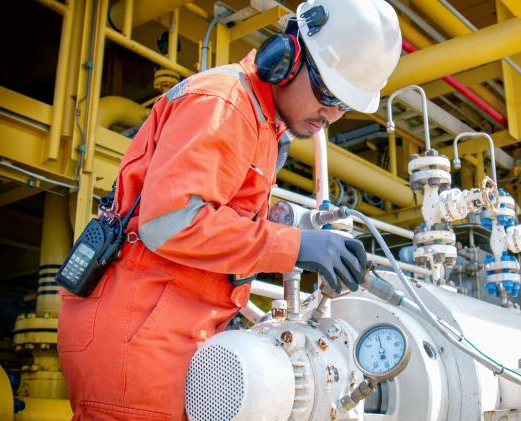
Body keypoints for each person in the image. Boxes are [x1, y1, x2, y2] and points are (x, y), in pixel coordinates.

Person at [57, 0, 402, 419]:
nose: (330, 114)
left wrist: (290, 221)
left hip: (169, 331)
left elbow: (219, 208)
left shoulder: (262, 125)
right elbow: (170, 223)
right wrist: (294, 247)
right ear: (287, 60)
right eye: (327, 92)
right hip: (140, 340)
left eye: (344, 105)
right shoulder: (224, 103)